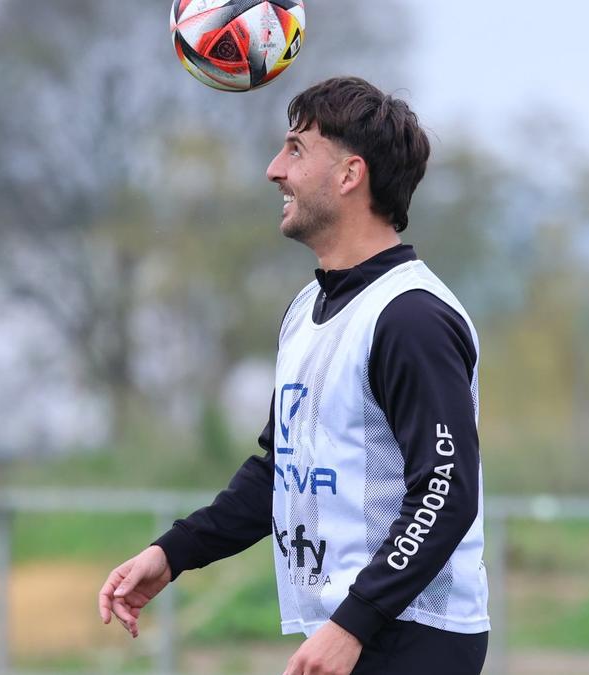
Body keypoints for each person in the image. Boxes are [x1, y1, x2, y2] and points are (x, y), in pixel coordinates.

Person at [98, 76, 489, 675]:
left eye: (296, 149)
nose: (274, 170)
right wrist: (173, 553)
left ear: (350, 175)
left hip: (413, 636)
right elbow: (282, 471)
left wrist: (355, 623)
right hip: (354, 628)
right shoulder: (305, 311)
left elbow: (445, 491)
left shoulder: (411, 316)